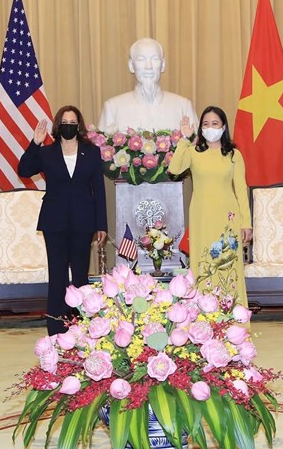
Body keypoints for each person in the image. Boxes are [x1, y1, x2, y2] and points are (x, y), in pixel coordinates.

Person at [18, 105, 107, 335]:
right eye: (65, 122)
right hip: (54, 222)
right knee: (57, 276)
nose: (68, 126)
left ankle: (81, 327)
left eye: (72, 122)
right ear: (58, 125)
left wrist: (101, 225)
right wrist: (35, 143)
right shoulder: (47, 152)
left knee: (80, 276)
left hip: (83, 222)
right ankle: (56, 330)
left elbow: (99, 189)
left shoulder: (91, 152)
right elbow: (24, 170)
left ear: (79, 126)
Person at [170, 107, 252, 306]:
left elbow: (241, 190)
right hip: (202, 216)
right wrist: (184, 139)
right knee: (203, 262)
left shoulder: (233, 155)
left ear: (223, 127)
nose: (210, 128)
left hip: (228, 218)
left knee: (227, 264)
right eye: (206, 124)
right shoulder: (193, 152)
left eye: (215, 123)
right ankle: (203, 313)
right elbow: (174, 169)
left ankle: (232, 312)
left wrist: (246, 223)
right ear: (200, 128)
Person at [97, 38, 198, 132]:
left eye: (155, 59)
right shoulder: (113, 108)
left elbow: (195, 143)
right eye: (141, 59)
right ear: (131, 66)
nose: (148, 66)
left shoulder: (183, 106)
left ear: (163, 65)